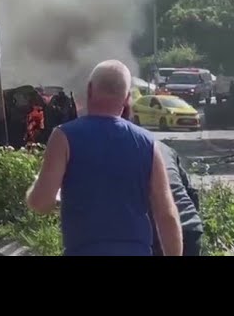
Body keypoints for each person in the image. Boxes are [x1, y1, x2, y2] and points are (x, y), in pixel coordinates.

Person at [26, 60, 183, 256]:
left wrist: (36, 189)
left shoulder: (64, 137)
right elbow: (166, 214)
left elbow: (41, 203)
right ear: (127, 98)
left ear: (90, 90)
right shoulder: (148, 144)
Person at [151, 142, 203, 256]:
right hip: (191, 226)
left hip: (165, 231)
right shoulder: (166, 149)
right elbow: (190, 192)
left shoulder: (140, 151)